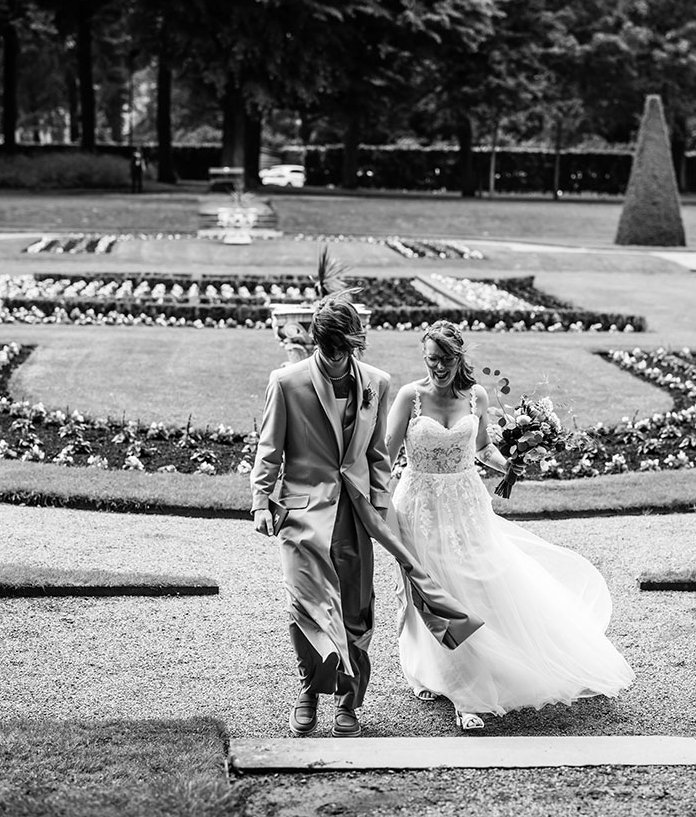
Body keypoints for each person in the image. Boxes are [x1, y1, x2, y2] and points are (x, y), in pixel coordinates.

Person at [383, 321, 634, 731]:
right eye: (431, 360)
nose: (438, 368)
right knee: (435, 590)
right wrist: (381, 510)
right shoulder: (410, 397)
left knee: (478, 585)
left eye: (446, 360)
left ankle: (472, 678)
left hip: (466, 505)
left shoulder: (476, 396)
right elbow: (385, 457)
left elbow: (481, 448)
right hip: (420, 506)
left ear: (459, 358)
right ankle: (458, 689)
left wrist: (509, 464)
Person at [251, 294, 481, 739]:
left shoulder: (378, 382)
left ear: (355, 345)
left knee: (357, 609)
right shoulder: (286, 382)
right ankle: (308, 691)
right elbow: (269, 449)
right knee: (306, 603)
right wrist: (262, 502)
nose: (336, 359)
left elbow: (377, 456)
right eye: (329, 349)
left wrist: (382, 507)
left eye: (345, 349)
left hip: (357, 515)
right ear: (319, 342)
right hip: (302, 514)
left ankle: (347, 700)